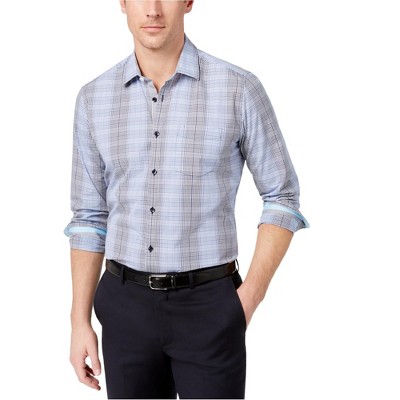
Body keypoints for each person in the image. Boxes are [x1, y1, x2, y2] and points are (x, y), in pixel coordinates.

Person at [65, 1, 308, 398]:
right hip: (124, 308)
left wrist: (246, 300)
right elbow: (89, 217)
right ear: (122, 3)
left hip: (210, 307)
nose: (153, 9)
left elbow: (282, 196)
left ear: (189, 2)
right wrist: (79, 322)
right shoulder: (94, 99)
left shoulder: (238, 88)